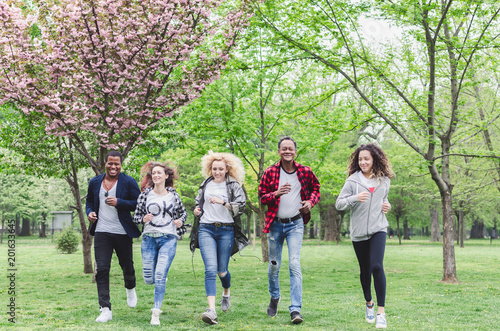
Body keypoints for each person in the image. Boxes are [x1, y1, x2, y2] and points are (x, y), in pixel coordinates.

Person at [258, 137, 321, 324]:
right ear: (279, 151)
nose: (287, 151)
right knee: (274, 266)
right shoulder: (270, 172)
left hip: (295, 223)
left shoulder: (305, 171)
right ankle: (275, 297)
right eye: (284, 148)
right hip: (275, 224)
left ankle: (295, 310)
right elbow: (262, 198)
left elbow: (316, 189)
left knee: (294, 263)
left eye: (290, 149)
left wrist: (310, 202)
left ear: (295, 151)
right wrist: (275, 194)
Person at [335, 143, 395, 329]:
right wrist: (355, 198)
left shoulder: (384, 180)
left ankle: (381, 312)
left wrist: (388, 206)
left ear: (374, 159)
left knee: (377, 266)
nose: (363, 162)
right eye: (360, 159)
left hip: (379, 228)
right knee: (365, 269)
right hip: (359, 233)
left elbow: (384, 199)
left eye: (366, 159)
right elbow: (339, 204)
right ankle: (369, 303)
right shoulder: (353, 181)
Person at [189, 151, 249, 325]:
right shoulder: (205, 184)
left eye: (220, 169)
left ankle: (226, 292)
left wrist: (223, 202)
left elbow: (241, 206)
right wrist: (196, 210)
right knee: (210, 269)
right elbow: (198, 203)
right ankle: (211, 310)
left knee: (222, 270)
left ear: (227, 169)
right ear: (210, 169)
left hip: (226, 230)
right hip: (206, 228)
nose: (217, 172)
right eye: (214, 168)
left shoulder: (234, 185)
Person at [86, 151, 141, 323]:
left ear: (121, 164)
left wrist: (119, 202)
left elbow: (139, 203)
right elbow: (88, 202)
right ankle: (105, 309)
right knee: (102, 269)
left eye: (116, 164)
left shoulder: (128, 181)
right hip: (102, 231)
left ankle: (130, 288)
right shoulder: (95, 182)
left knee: (127, 267)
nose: (113, 166)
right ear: (105, 163)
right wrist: (90, 213)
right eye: (110, 163)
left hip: (122, 231)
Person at [132, 161, 187, 325]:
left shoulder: (174, 196)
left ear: (166, 176)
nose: (156, 175)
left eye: (159, 173)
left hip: (168, 238)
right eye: (153, 173)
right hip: (149, 238)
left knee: (160, 276)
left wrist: (179, 222)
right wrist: (143, 219)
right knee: (149, 279)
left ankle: (155, 313)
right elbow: (135, 217)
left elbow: (183, 215)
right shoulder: (145, 195)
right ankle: (159, 276)